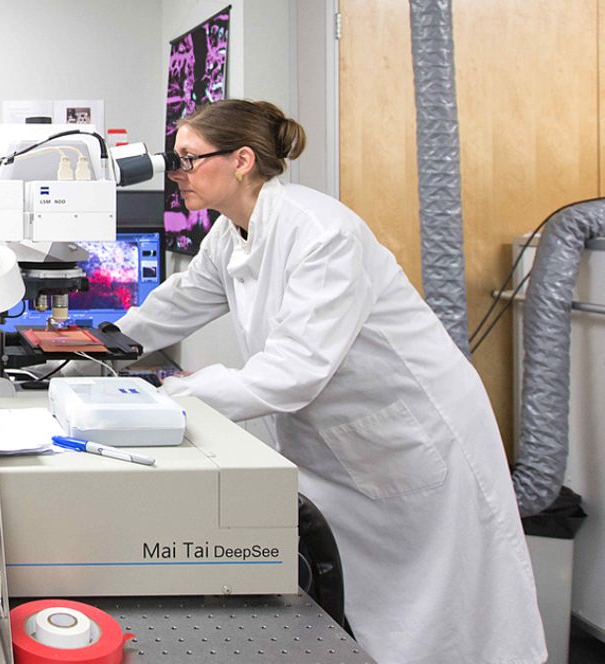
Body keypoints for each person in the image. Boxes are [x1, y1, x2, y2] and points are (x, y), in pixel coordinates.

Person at [116, 99, 546, 664]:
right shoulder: (230, 233)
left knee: (450, 622)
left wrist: (167, 396)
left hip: (415, 438)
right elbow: (177, 303)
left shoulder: (321, 232)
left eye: (188, 160)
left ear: (242, 160)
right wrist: (101, 341)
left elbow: (294, 371)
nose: (177, 176)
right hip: (347, 447)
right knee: (367, 618)